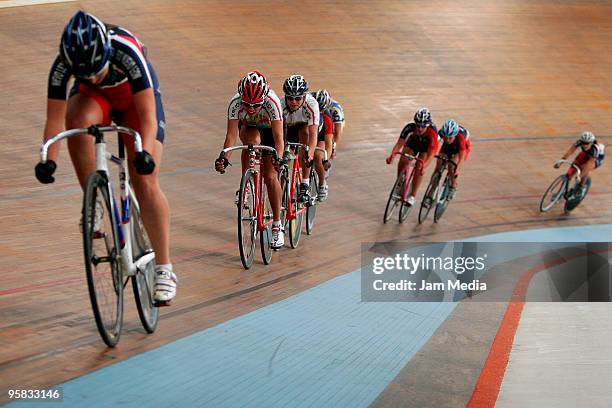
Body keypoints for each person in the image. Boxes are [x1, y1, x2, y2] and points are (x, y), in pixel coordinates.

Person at [34, 11, 176, 305]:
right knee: (77, 116)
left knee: (145, 181)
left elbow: (149, 117)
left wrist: (144, 153)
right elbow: (54, 121)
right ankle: (95, 198)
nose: (92, 75)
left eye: (96, 70)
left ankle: (165, 268)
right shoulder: (62, 66)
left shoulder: (127, 52)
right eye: (84, 73)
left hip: (136, 104)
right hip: (95, 100)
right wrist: (49, 158)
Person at [215, 71, 285, 248]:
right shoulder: (235, 103)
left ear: (263, 98)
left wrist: (279, 158)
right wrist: (223, 157)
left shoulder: (273, 103)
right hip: (249, 128)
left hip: (270, 131)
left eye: (256, 105)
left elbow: (278, 139)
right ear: (241, 98)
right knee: (250, 142)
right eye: (247, 104)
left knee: (270, 177)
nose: (251, 108)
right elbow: (231, 137)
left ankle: (277, 226)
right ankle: (247, 185)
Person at [386, 108, 439, 206]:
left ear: (427, 125)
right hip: (414, 142)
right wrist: (392, 155)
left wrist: (424, 166)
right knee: (403, 158)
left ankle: (412, 195)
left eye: (423, 126)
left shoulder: (432, 133)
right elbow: (399, 144)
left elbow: (431, 154)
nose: (420, 128)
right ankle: (400, 184)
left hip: (426, 147)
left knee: (419, 165)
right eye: (418, 125)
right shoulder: (409, 128)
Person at [281, 75, 319, 202]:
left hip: (305, 127)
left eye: (298, 98)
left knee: (305, 134)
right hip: (288, 128)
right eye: (290, 98)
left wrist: (310, 154)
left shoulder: (311, 104)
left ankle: (305, 183)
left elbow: (313, 135)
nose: (294, 102)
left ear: (304, 96)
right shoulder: (280, 104)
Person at [426, 118, 471, 204]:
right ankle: (430, 193)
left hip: (461, 148)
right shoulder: (441, 133)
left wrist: (457, 170)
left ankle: (453, 186)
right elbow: (435, 145)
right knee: (438, 164)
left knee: (452, 165)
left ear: (455, 135)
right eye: (445, 137)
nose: (447, 140)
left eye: (450, 138)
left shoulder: (460, 136)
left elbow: (461, 157)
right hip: (448, 147)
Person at [311, 89, 334, 201]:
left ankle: (322, 184)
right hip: (309, 132)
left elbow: (328, 142)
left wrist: (326, 159)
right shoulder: (308, 108)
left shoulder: (327, 118)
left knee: (318, 156)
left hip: (321, 136)